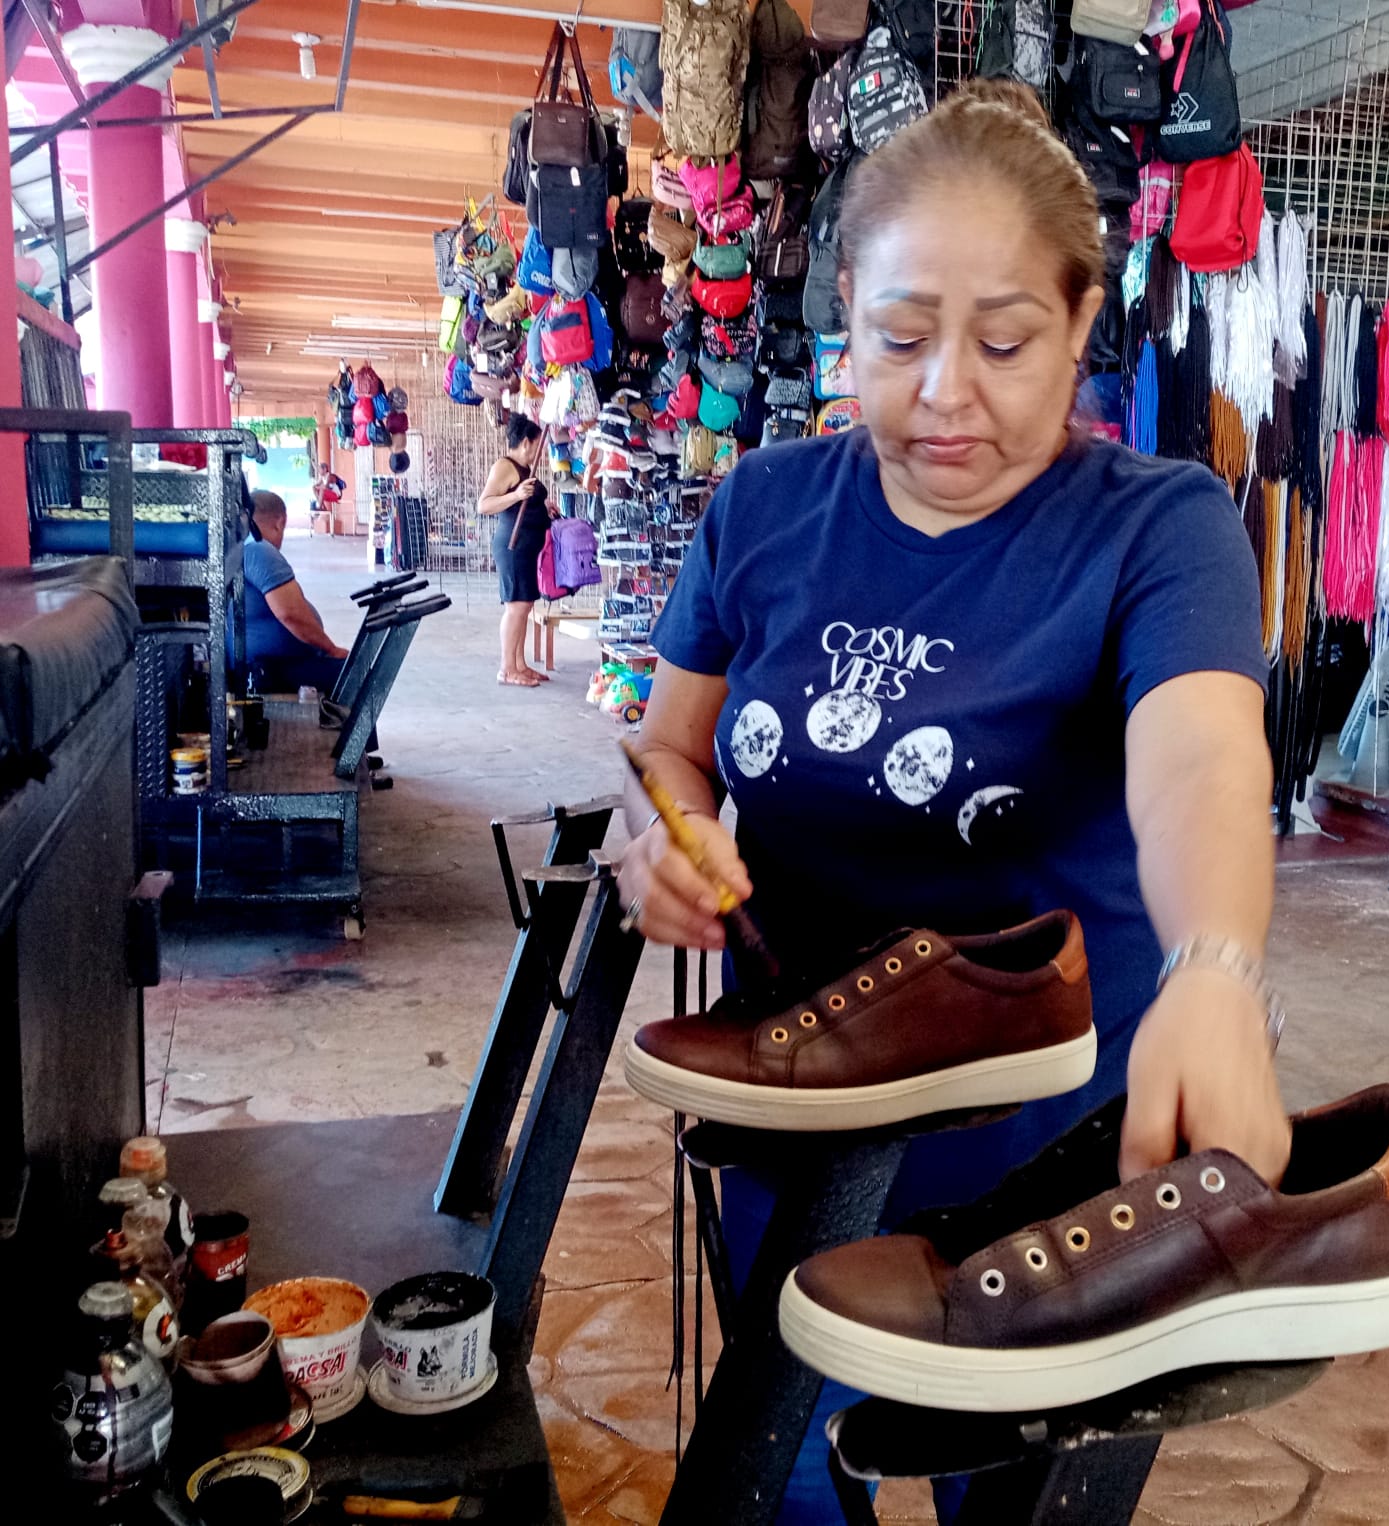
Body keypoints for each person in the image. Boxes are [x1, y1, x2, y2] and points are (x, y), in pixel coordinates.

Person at [616, 82, 1289, 1521]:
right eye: (899, 338)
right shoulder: (761, 508)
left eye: (1001, 342)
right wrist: (659, 834)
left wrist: (1215, 968)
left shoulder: (1152, 527)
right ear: (840, 315)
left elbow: (1199, 757)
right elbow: (669, 748)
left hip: (1046, 1168)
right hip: (793, 1124)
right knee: (793, 1468)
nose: (944, 395)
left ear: (1078, 319)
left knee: (1011, 1490)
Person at [242, 490, 348, 694]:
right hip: (269, 668)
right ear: (280, 522)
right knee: (356, 676)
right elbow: (290, 614)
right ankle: (347, 725)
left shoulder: (244, 545)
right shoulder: (259, 549)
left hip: (271, 662)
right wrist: (330, 649)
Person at [478, 414, 551, 687]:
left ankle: (520, 664)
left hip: (526, 546)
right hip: (513, 545)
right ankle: (507, 669)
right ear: (525, 442)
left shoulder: (520, 468)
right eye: (535, 445)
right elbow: (484, 505)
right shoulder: (504, 466)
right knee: (515, 607)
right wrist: (516, 495)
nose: (537, 452)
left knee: (524, 605)